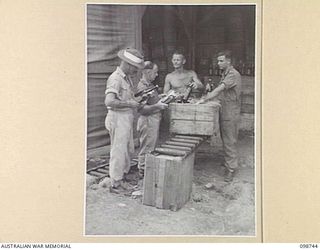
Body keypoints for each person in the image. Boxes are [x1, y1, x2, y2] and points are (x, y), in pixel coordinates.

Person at [197, 50, 242, 182]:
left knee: (229, 140)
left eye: (221, 61)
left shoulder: (232, 74)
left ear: (229, 61)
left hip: (230, 112)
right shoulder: (226, 73)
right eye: (218, 61)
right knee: (226, 138)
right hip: (226, 110)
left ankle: (232, 168)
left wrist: (206, 98)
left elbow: (220, 89)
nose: (218, 63)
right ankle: (229, 162)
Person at [104, 48, 144, 193]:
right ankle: (116, 183)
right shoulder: (115, 78)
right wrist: (130, 104)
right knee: (119, 151)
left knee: (127, 150)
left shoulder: (126, 78)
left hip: (125, 117)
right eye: (134, 67)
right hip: (117, 117)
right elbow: (109, 101)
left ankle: (123, 177)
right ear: (127, 64)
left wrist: (136, 100)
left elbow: (126, 98)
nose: (135, 71)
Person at [136, 61, 168, 178]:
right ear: (148, 72)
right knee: (147, 147)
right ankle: (143, 174)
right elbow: (141, 109)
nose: (157, 75)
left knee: (151, 146)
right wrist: (158, 106)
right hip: (147, 120)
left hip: (152, 120)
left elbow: (150, 100)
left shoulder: (149, 85)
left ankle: (146, 172)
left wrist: (160, 97)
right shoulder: (142, 87)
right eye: (155, 72)